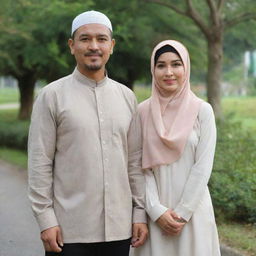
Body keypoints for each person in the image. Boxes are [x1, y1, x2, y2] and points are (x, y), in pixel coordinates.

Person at [28, 10, 148, 256]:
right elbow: (39, 162)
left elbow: (134, 163)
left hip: (119, 230)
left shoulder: (126, 97)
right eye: (85, 39)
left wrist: (139, 212)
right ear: (72, 46)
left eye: (101, 39)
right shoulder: (52, 96)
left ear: (111, 46)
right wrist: (46, 219)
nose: (94, 46)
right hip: (68, 230)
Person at [130, 40, 221, 256]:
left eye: (176, 64)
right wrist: (155, 211)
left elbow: (203, 167)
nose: (168, 72)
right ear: (153, 69)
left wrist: (182, 213)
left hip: (193, 215)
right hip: (155, 217)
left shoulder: (203, 111)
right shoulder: (142, 112)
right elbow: (139, 167)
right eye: (161, 65)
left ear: (186, 68)